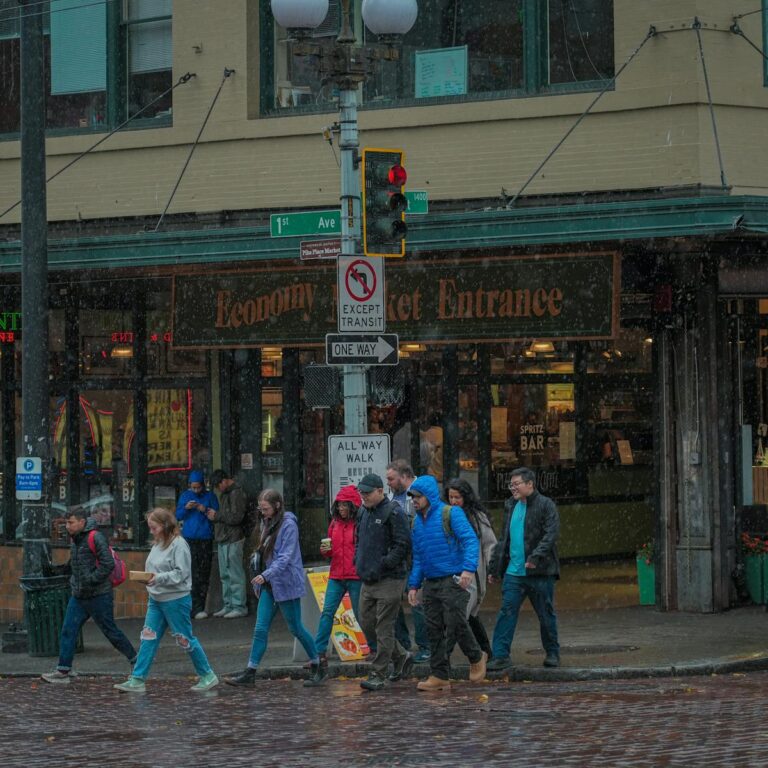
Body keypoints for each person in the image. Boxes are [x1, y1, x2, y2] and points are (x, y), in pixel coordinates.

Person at [113, 508, 219, 693]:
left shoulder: (179, 544)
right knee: (148, 637)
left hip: (175, 600)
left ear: (164, 526)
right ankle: (138, 678)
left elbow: (181, 573)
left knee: (185, 638)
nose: (152, 531)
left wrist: (157, 578)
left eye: (154, 528)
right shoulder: (158, 544)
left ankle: (207, 675)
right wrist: (150, 579)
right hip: (157, 598)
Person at [226, 489, 320, 687]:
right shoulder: (265, 523)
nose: (263, 512)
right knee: (260, 629)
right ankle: (250, 671)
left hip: (285, 583)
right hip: (269, 584)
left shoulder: (288, 525)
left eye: (266, 508)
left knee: (296, 628)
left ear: (277, 506)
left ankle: (318, 664)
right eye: (260, 509)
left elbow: (285, 557)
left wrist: (264, 575)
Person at [407, 475, 487, 692]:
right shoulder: (416, 522)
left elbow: (470, 540)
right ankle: (439, 674)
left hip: (453, 578)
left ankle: (476, 655)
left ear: (429, 496)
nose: (414, 500)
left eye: (418, 496)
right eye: (412, 496)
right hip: (431, 581)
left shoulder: (450, 513)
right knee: (433, 629)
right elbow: (418, 557)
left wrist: (468, 569)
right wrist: (413, 586)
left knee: (456, 622)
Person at [41, 508, 137, 684]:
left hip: (98, 595)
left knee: (110, 631)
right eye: (66, 523)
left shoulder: (95, 537)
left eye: (70, 523)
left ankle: (136, 661)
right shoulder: (76, 540)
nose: (67, 526)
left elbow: (107, 563)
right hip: (79, 595)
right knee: (68, 630)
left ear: (82, 522)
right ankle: (63, 670)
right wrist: (58, 571)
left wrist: (92, 580)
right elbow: (76, 565)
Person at [487, 466, 561, 671]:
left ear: (530, 484)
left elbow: (551, 535)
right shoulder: (510, 505)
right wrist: (495, 567)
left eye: (517, 483)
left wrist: (536, 557)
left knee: (545, 614)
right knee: (507, 612)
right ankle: (501, 655)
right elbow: (504, 539)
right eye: (511, 484)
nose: (513, 488)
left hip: (540, 572)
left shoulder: (546, 505)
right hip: (514, 572)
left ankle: (553, 652)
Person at [354, 473, 413, 691]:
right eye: (362, 492)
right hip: (368, 576)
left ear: (380, 491)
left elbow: (403, 543)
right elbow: (359, 539)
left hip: (390, 578)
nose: (364, 496)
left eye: (368, 493)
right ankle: (400, 655)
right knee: (366, 622)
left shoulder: (394, 511)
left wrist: (385, 563)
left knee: (383, 626)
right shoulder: (363, 511)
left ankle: (378, 673)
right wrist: (358, 561)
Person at [305, 484, 363, 687]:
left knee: (361, 614)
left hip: (355, 576)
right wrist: (325, 551)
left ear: (353, 505)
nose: (341, 509)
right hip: (337, 574)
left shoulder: (360, 523)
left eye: (345, 506)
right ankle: (320, 657)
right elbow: (330, 551)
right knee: (327, 613)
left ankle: (378, 651)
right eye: (339, 506)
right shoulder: (334, 524)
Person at [444, 478, 497, 658]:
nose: (453, 501)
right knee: (468, 616)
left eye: (457, 497)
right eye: (451, 497)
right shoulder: (447, 515)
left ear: (466, 497)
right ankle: (484, 652)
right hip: (453, 571)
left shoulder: (476, 517)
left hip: (472, 572)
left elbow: (489, 545)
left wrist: (492, 568)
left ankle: (446, 657)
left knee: (461, 616)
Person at [386, 459, 430, 663]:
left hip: (418, 555)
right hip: (400, 555)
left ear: (404, 477)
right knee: (394, 600)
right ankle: (404, 644)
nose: (389, 483)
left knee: (417, 602)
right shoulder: (393, 496)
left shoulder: (421, 491)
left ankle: (425, 646)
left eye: (391, 479)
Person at [175, 469, 218, 619]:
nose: (195, 490)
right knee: (191, 572)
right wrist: (186, 508)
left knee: (203, 573)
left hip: (205, 538)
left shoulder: (210, 496)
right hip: (189, 539)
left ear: (203, 485)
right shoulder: (185, 496)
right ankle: (192, 606)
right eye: (193, 487)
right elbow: (178, 515)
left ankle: (200, 605)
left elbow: (216, 515)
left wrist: (203, 509)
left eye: (198, 487)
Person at [208, 469, 248, 619]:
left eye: (219, 485)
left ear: (224, 481)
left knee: (234, 573)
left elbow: (237, 517)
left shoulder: (236, 493)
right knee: (225, 574)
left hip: (233, 537)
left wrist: (217, 516)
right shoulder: (228, 493)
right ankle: (229, 604)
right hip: (226, 537)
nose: (218, 489)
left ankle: (238, 605)